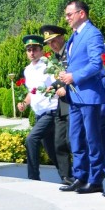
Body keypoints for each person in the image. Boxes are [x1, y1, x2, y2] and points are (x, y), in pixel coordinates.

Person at [57, 0, 105, 195]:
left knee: (92, 138)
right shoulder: (74, 37)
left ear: (81, 13)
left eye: (69, 14)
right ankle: (80, 176)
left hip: (89, 95)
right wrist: (65, 75)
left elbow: (96, 64)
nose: (67, 18)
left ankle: (95, 179)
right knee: (76, 137)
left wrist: (74, 76)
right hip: (75, 95)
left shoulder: (93, 34)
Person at [16, 35, 60, 182]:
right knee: (52, 151)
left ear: (41, 50)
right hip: (40, 114)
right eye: (28, 50)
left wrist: (52, 90)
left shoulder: (48, 66)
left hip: (51, 111)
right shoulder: (27, 70)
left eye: (34, 49)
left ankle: (33, 178)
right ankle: (69, 177)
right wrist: (24, 103)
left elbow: (58, 85)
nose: (31, 52)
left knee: (31, 139)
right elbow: (32, 92)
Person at [40, 24, 73, 184]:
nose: (51, 45)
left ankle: (81, 176)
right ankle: (66, 177)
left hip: (73, 104)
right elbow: (60, 78)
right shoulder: (56, 58)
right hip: (62, 106)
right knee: (59, 142)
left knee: (72, 142)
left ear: (61, 37)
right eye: (48, 42)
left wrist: (63, 87)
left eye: (53, 40)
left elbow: (72, 76)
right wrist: (53, 87)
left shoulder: (70, 53)